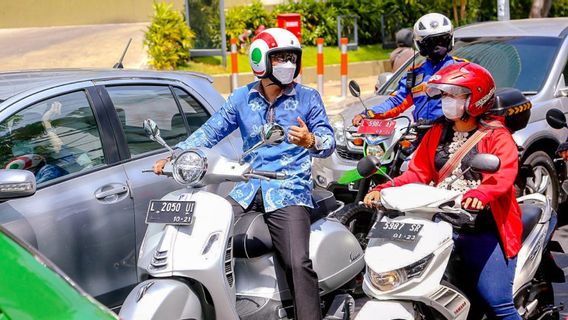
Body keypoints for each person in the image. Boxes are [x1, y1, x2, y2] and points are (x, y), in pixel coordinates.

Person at [153, 28, 335, 320]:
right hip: (248, 187)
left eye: (291, 57)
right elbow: (209, 132)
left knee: (297, 262)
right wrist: (174, 156)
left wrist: (310, 140)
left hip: (289, 189)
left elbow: (328, 142)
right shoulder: (241, 99)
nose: (288, 63)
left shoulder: (307, 98)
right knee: (202, 238)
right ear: (261, 61)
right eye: (280, 58)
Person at [364, 62, 522, 320]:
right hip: (439, 223)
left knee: (497, 303)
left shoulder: (496, 135)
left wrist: (481, 194)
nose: (446, 101)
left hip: (483, 226)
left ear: (476, 98)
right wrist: (385, 187)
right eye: (445, 95)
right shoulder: (438, 131)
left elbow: (503, 174)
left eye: (454, 95)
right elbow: (417, 173)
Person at [353, 13, 466, 135]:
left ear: (450, 40)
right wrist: (369, 114)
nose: (437, 46)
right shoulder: (414, 74)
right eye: (430, 42)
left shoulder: (462, 69)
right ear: (420, 45)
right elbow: (397, 102)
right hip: (422, 135)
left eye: (442, 40)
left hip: (453, 136)